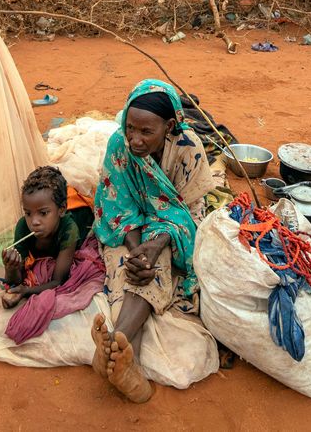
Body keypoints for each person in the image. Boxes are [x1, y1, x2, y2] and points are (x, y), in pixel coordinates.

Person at [89, 79, 216, 403]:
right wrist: (137, 251)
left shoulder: (189, 150)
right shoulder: (119, 145)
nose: (135, 140)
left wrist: (155, 245)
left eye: (146, 132)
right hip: (127, 228)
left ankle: (115, 343)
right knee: (130, 269)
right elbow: (116, 206)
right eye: (130, 128)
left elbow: (189, 211)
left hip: (176, 227)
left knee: (155, 264)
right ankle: (124, 358)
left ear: (169, 126)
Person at [0, 166, 106, 344]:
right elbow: (15, 281)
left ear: (62, 210)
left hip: (83, 216)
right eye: (28, 213)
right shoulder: (22, 227)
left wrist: (26, 291)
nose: (34, 221)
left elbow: (58, 281)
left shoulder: (68, 229)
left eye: (43, 213)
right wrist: (11, 267)